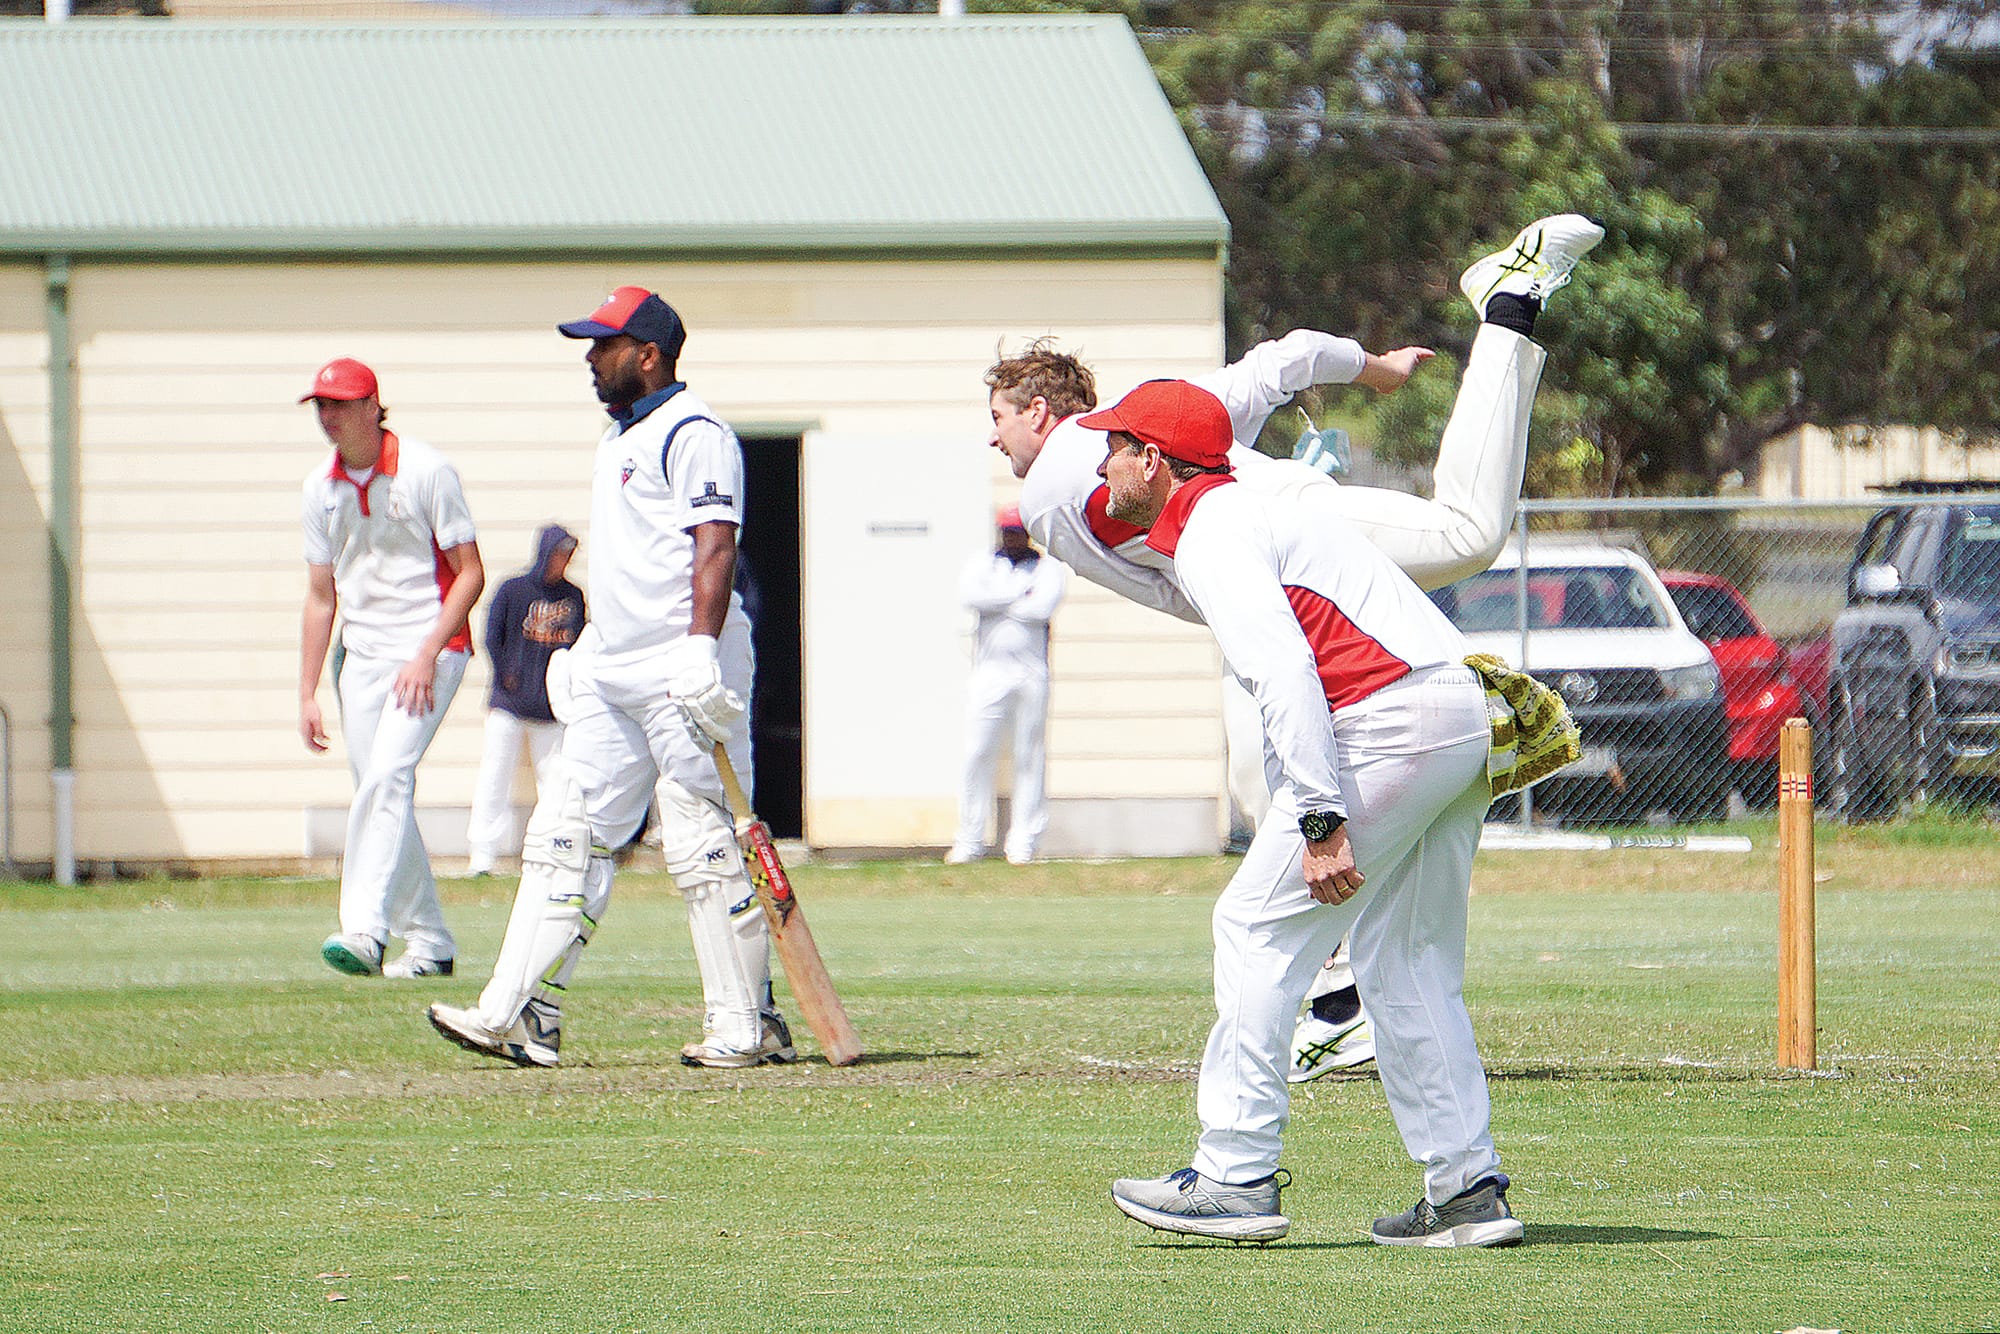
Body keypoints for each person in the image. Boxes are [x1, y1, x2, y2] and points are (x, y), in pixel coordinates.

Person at [985, 214, 1604, 1084]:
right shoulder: (1151, 431)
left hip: (1292, 544)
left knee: (1466, 533)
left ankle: (1508, 305)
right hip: (1264, 595)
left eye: (999, 419)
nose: (994, 439)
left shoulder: (1063, 485)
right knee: (1264, 780)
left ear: (1041, 412)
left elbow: (1172, 578)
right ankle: (1340, 1002)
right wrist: (1377, 368)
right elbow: (1289, 358)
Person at [1088, 378, 1519, 1247]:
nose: (1103, 467)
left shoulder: (1210, 526)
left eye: (1114, 448)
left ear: (1154, 460)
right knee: (1407, 960)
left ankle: (1234, 1174)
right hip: (1461, 711)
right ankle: (1467, 1192)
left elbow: (1287, 674)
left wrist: (1320, 821)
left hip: (1389, 719)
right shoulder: (1250, 510)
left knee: (1253, 929)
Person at [427, 286, 792, 1070]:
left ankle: (746, 1022)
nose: (592, 359)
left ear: (647, 354)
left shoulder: (695, 432)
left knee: (701, 843)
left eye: (604, 345)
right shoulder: (616, 437)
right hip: (616, 670)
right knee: (566, 836)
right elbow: (634, 559)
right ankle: (520, 1016)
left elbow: (715, 544)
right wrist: (594, 647)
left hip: (685, 667)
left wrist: (700, 649)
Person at [297, 357, 485, 979]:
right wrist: (307, 693)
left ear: (373, 406)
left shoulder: (428, 470)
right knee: (379, 793)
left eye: (340, 403)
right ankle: (430, 943)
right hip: (363, 657)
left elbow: (471, 573)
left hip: (433, 648)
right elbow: (321, 597)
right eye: (321, 405)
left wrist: (426, 653)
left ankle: (365, 931)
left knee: (387, 778)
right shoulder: (319, 489)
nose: (328, 416)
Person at [948, 506, 1069, 865]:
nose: (1013, 538)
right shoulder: (982, 563)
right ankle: (969, 839)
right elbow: (971, 597)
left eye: (1018, 531)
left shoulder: (1047, 568)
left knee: (1029, 755)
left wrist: (1000, 600)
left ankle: (1024, 841)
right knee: (977, 752)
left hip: (1031, 672)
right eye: (1008, 531)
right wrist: (1018, 593)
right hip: (989, 672)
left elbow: (1040, 609)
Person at [464, 524, 587, 876]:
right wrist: (507, 673)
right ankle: (482, 856)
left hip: (552, 709)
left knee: (556, 780)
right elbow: (492, 636)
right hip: (509, 705)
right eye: (560, 553)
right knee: (494, 775)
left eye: (568, 555)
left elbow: (579, 647)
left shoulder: (574, 597)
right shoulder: (513, 590)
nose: (564, 560)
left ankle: (553, 851)